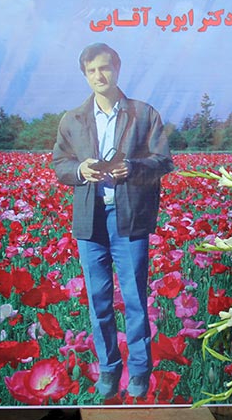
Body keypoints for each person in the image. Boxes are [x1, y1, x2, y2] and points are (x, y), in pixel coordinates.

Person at [52, 42, 174, 400]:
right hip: (91, 221)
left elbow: (163, 160)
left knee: (135, 299)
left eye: (104, 68)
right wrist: (79, 169)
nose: (99, 76)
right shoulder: (72, 119)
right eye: (91, 71)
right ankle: (108, 368)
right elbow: (59, 164)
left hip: (130, 218)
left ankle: (139, 370)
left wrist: (134, 168)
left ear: (117, 69)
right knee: (99, 301)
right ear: (85, 75)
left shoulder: (143, 113)